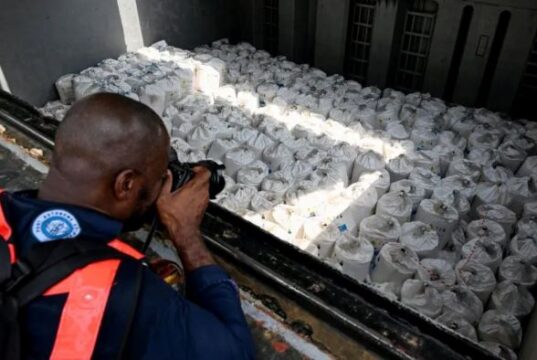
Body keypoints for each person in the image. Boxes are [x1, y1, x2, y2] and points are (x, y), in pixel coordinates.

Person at [0, 93, 255, 359]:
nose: (162, 187)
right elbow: (237, 353)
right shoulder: (122, 292)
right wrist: (186, 233)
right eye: (160, 178)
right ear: (126, 185)